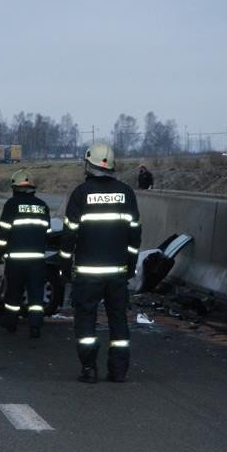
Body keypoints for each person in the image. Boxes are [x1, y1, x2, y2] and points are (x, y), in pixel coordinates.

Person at [61, 143, 142, 383]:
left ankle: (89, 369)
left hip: (87, 274)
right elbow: (134, 234)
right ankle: (118, 372)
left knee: (86, 322)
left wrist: (65, 266)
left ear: (89, 164)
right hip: (117, 273)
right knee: (118, 321)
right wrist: (129, 264)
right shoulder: (126, 193)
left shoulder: (80, 193)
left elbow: (69, 235)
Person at [0, 168, 51, 338]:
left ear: (14, 187)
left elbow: (3, 233)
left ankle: (11, 323)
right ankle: (35, 326)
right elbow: (47, 233)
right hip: (37, 260)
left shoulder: (11, 205)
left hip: (16, 259)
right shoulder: (42, 206)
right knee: (36, 295)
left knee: (14, 293)